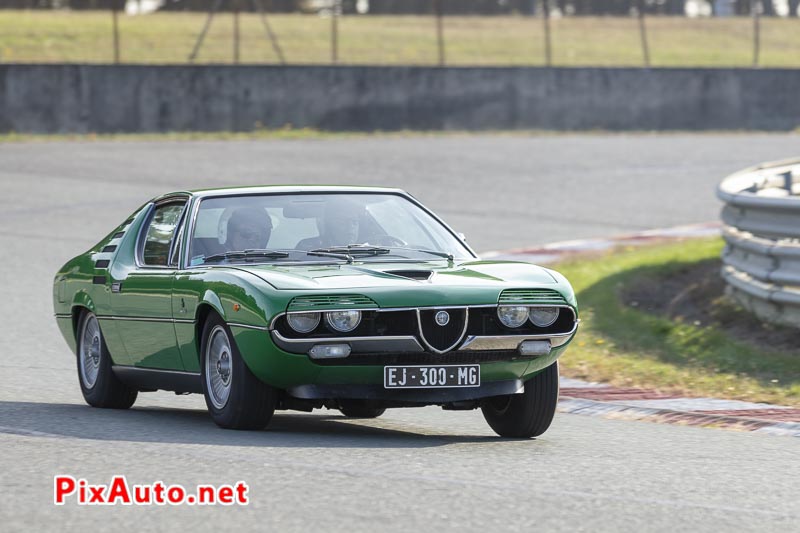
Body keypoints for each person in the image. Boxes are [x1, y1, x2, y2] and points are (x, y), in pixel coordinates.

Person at [296, 197, 362, 250]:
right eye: (342, 222)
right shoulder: (307, 249)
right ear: (329, 225)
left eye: (355, 222)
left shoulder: (368, 250)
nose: (350, 227)